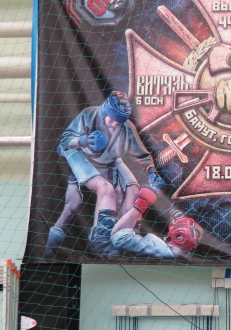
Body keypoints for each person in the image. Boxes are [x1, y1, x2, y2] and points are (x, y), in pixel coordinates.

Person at [43, 90, 165, 258]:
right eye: (112, 119)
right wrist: (83, 140)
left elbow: (142, 155)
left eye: (118, 122)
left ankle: (122, 235)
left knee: (133, 189)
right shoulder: (89, 115)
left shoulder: (126, 127)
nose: (114, 124)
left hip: (109, 159)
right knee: (101, 191)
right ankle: (99, 242)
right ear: (105, 110)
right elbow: (64, 142)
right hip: (81, 155)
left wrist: (151, 171)